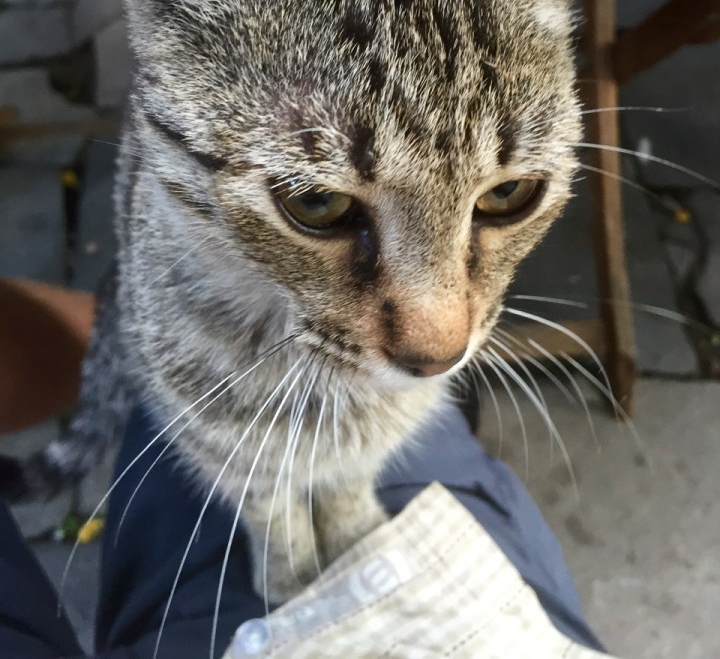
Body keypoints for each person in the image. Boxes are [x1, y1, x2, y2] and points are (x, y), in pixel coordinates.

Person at [0, 282, 605, 658]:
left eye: (505, 197)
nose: (445, 336)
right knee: (220, 426)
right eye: (316, 202)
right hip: (474, 604)